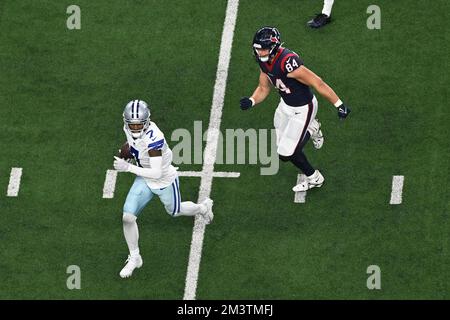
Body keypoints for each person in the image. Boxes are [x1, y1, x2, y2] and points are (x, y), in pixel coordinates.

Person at [240, 26, 350, 192]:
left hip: (303, 108)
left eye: (262, 49)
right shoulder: (265, 62)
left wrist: (339, 104)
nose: (259, 53)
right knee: (281, 144)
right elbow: (263, 87)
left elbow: (317, 82)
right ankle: (312, 131)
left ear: (273, 48)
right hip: (285, 106)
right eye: (257, 49)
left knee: (286, 153)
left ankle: (315, 177)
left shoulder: (287, 62)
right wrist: (252, 100)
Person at [113, 99, 213, 278]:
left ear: (146, 122)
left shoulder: (154, 137)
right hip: (144, 177)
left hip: (164, 179)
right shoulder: (128, 129)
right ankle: (135, 257)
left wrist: (127, 167)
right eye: (132, 125)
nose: (135, 129)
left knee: (175, 211)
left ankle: (203, 208)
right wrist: (125, 153)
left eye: (138, 125)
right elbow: (132, 145)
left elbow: (157, 172)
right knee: (127, 217)